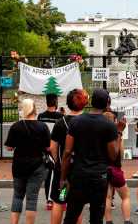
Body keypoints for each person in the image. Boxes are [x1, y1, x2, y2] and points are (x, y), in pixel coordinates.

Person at [60, 89, 125, 224]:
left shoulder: (76, 122)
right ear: (107, 103)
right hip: (99, 177)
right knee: (96, 218)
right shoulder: (109, 125)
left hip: (79, 175)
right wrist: (119, 132)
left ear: (91, 101)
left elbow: (67, 152)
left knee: (71, 216)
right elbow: (113, 155)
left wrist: (63, 178)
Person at [5, 99, 50, 224]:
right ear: (34, 109)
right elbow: (48, 147)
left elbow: (9, 147)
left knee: (18, 196)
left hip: (19, 165)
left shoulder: (16, 126)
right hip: (37, 165)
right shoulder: (42, 126)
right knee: (32, 199)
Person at [49, 89, 88, 224]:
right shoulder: (88, 121)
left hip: (64, 173)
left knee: (60, 200)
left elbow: (53, 147)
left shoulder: (60, 123)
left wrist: (57, 162)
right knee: (77, 204)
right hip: (82, 170)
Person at [103, 110, 132, 224]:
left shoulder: (99, 135)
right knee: (125, 196)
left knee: (107, 197)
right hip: (115, 169)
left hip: (103, 169)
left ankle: (109, 221)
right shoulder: (116, 135)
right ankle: (127, 220)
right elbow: (120, 154)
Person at [37, 93, 64, 210]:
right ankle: (62, 198)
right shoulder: (60, 117)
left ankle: (49, 200)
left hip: (44, 149)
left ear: (47, 102)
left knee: (49, 176)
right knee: (61, 174)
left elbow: (39, 132)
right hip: (57, 149)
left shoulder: (41, 116)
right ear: (56, 102)